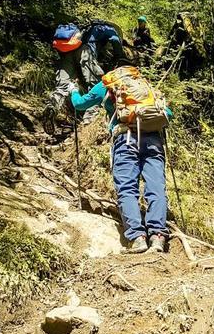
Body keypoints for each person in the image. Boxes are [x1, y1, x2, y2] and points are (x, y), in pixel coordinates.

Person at [69, 63, 171, 253]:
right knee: (156, 187)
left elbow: (79, 104)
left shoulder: (108, 84)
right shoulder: (143, 84)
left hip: (126, 139)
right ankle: (158, 237)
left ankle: (137, 238)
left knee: (127, 188)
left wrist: (73, 90)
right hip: (154, 140)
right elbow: (167, 114)